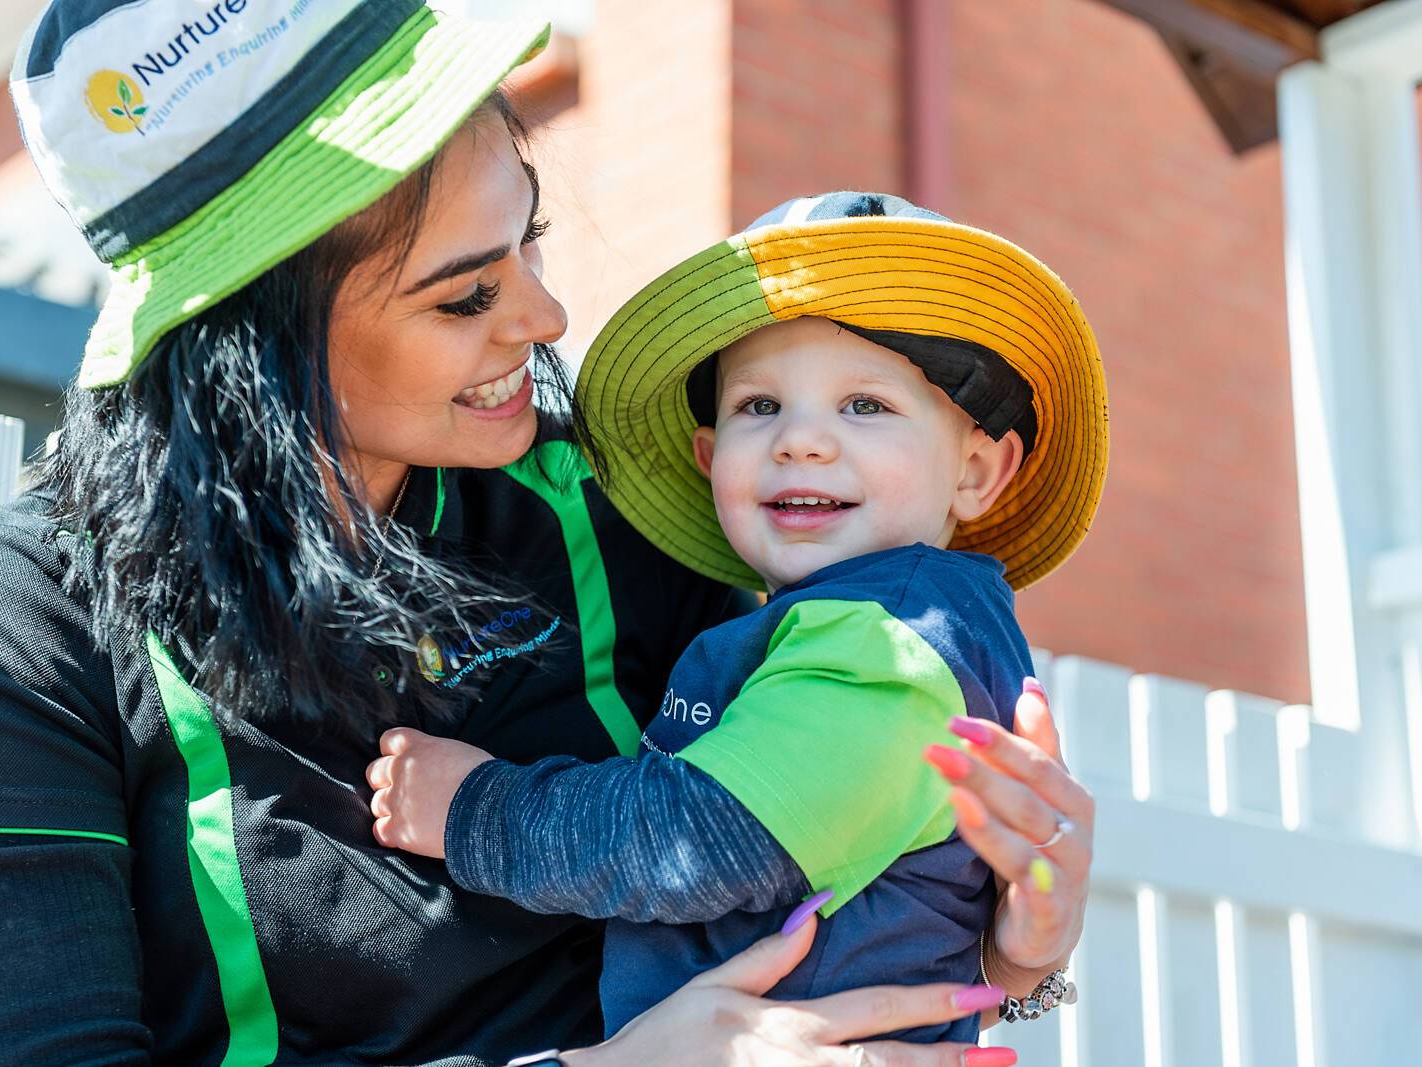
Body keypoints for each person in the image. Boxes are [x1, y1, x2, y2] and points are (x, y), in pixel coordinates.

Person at [0, 2, 1095, 1065]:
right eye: (464, 294)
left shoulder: (627, 518)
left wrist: (1014, 950)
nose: (546, 314)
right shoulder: (32, 620)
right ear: (248, 341)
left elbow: (796, 853)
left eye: (528, 240)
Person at [366, 191, 1107, 1043]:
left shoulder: (893, 637)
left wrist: (476, 810)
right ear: (712, 462)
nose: (802, 440)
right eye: (760, 406)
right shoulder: (829, 623)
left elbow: (708, 837)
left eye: (865, 405)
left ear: (978, 470)